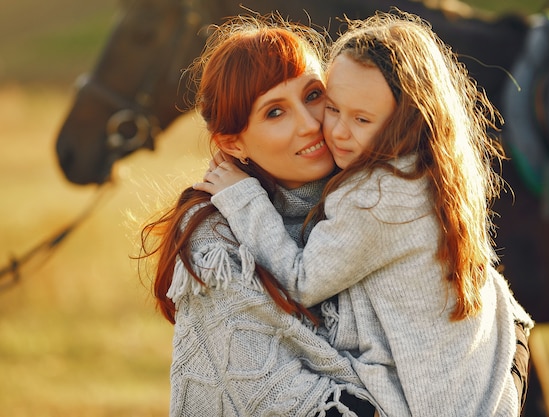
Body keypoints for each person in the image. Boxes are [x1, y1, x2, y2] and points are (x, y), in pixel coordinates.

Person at [195, 10, 533, 417]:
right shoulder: (430, 168)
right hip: (477, 382)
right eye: (333, 106)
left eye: (361, 119)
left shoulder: (374, 196)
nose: (333, 131)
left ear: (406, 122)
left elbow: (302, 282)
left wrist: (243, 198)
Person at [139, 14, 382, 417]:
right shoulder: (214, 241)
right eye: (275, 112)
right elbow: (275, 396)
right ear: (233, 144)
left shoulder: (376, 196)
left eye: (313, 96)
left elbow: (480, 311)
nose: (310, 125)